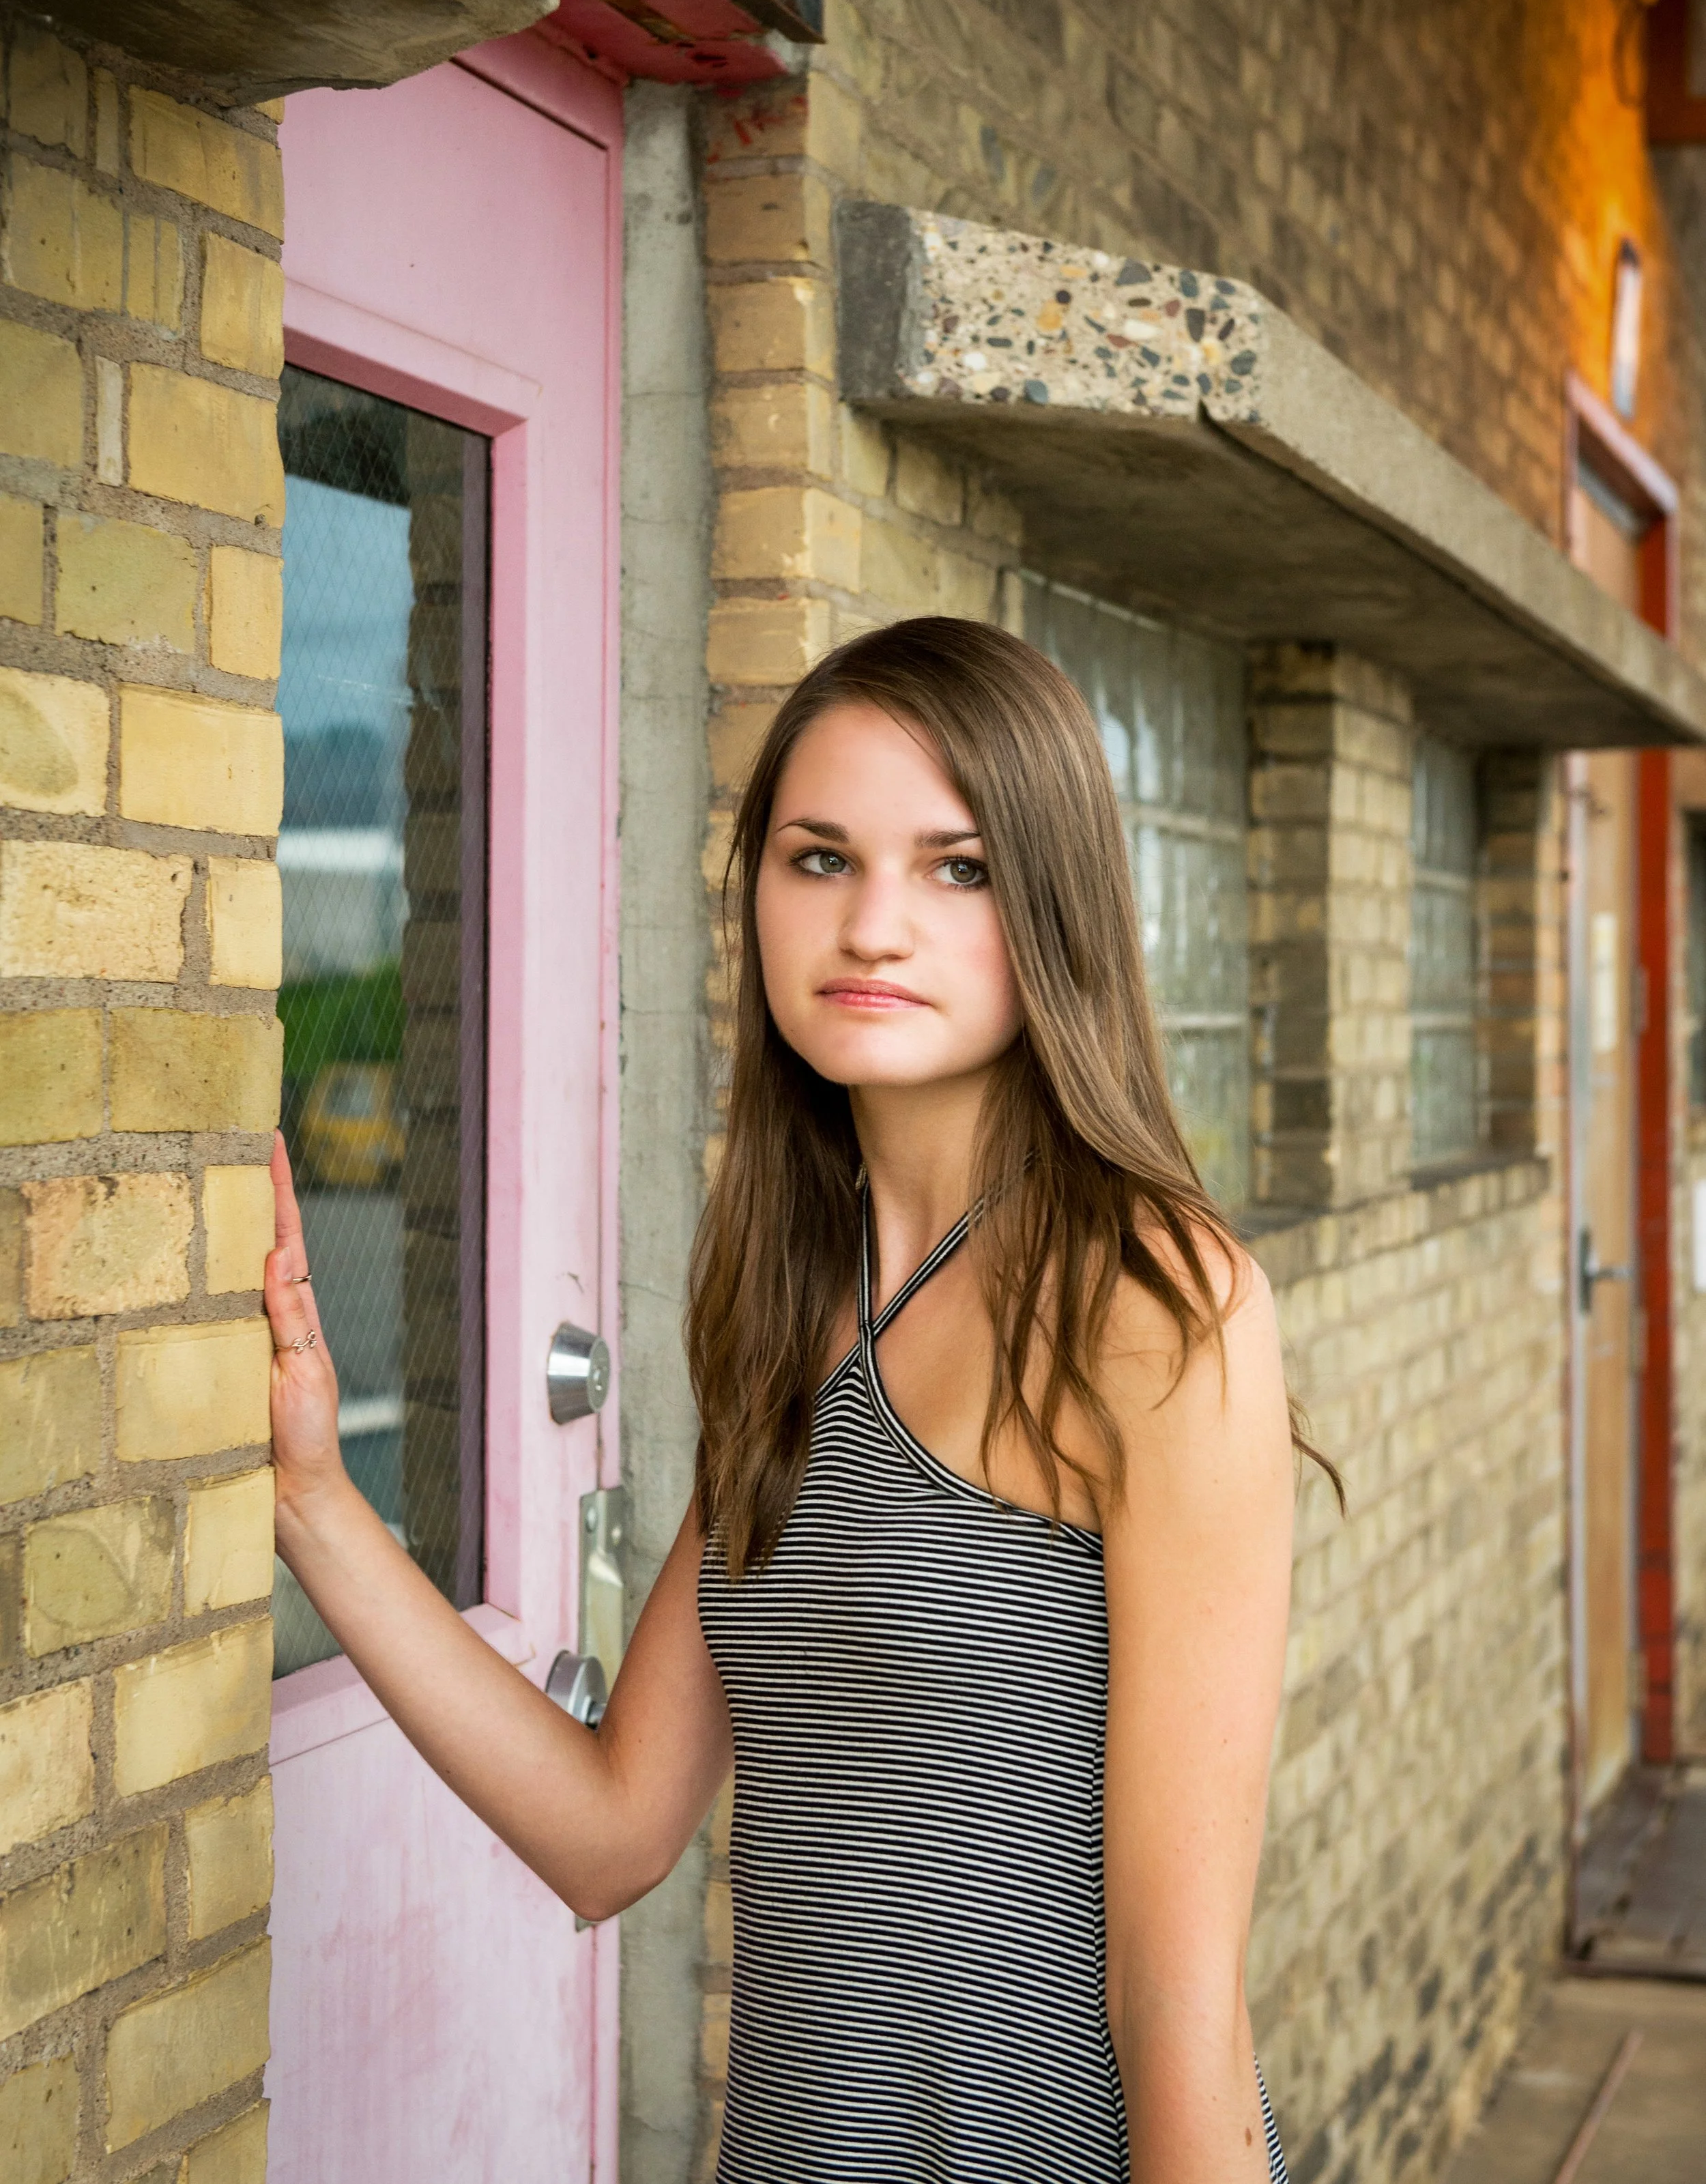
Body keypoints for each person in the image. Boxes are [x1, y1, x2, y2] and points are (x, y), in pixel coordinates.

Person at [269, 615, 1325, 2183]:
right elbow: (613, 1829)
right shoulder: (789, 1305)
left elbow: (1179, 2005)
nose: (873, 926)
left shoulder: (1150, 1307)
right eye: (817, 858)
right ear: (755, 896)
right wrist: (313, 1500)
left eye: (954, 868)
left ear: (1055, 908)